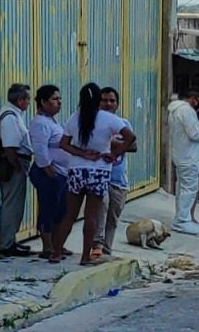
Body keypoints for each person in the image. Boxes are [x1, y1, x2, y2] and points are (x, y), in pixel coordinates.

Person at [54, 83, 137, 266]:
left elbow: (64, 144)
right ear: (99, 99)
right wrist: (115, 154)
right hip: (99, 171)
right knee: (91, 216)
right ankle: (85, 255)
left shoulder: (74, 119)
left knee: (70, 215)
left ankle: (57, 252)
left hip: (76, 170)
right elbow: (131, 137)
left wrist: (82, 153)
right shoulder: (109, 119)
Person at [28, 85, 73, 262]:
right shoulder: (40, 123)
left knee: (60, 209)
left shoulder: (52, 122)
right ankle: (48, 246)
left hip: (61, 173)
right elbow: (39, 149)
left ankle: (57, 244)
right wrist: (48, 169)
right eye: (55, 99)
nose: (59, 102)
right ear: (43, 102)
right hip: (48, 173)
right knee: (48, 208)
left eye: (59, 99)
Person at [166, 88, 199, 235]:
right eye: (198, 100)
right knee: (189, 190)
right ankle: (182, 220)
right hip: (189, 158)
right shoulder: (187, 111)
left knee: (182, 189)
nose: (198, 104)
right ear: (193, 99)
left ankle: (182, 218)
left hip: (182, 156)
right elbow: (195, 134)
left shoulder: (175, 111)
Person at [92, 86, 136, 257]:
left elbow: (134, 144)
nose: (108, 103)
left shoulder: (123, 124)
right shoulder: (93, 123)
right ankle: (97, 246)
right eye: (104, 100)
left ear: (117, 104)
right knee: (99, 211)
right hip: (99, 176)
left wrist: (116, 148)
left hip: (118, 179)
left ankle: (106, 251)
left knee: (112, 218)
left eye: (112, 100)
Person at [0, 83, 34, 257]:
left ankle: (11, 239)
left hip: (18, 162)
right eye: (27, 99)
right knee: (12, 204)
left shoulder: (14, 114)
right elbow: (10, 147)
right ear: (20, 100)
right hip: (14, 164)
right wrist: (17, 168)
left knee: (15, 204)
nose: (29, 102)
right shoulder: (10, 117)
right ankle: (6, 243)